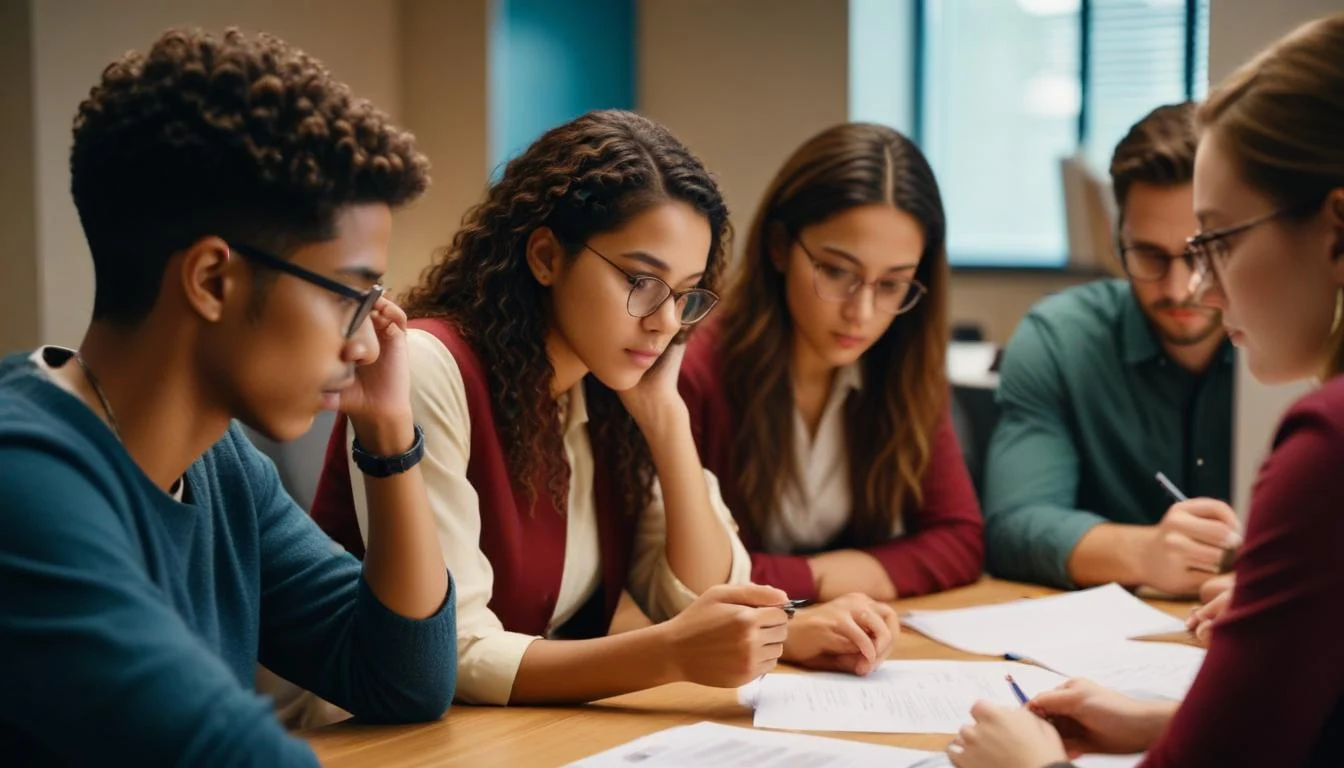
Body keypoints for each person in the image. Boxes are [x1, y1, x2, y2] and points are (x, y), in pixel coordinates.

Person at [0, 28, 456, 765]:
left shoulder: (222, 463)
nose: (369, 341)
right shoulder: (23, 478)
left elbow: (404, 678)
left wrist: (389, 435)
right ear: (213, 280)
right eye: (350, 294)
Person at [311, 109, 818, 704]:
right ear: (547, 257)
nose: (666, 323)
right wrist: (670, 653)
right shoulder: (429, 367)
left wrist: (667, 421)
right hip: (364, 735)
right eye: (641, 282)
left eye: (686, 294)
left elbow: (702, 597)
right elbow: (456, 651)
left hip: (512, 735)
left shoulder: (608, 389)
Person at [949, 13, 1344, 767]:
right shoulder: (1065, 336)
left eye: (1217, 242)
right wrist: (1165, 725)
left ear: (1335, 233)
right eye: (1157, 254)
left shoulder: (1329, 439)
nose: (1198, 287)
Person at [675, 122, 981, 673]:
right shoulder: (696, 371)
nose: (862, 314)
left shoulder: (905, 366)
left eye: (892, 285)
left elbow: (959, 539)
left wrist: (802, 577)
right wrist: (819, 582)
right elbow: (689, 576)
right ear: (778, 247)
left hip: (833, 654)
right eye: (838, 272)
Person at [983, 102, 1242, 595]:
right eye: (1147, 254)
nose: (1179, 287)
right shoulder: (1059, 340)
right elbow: (1013, 525)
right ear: (1114, 239)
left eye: (1201, 253)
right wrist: (1146, 553)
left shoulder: (1296, 343)